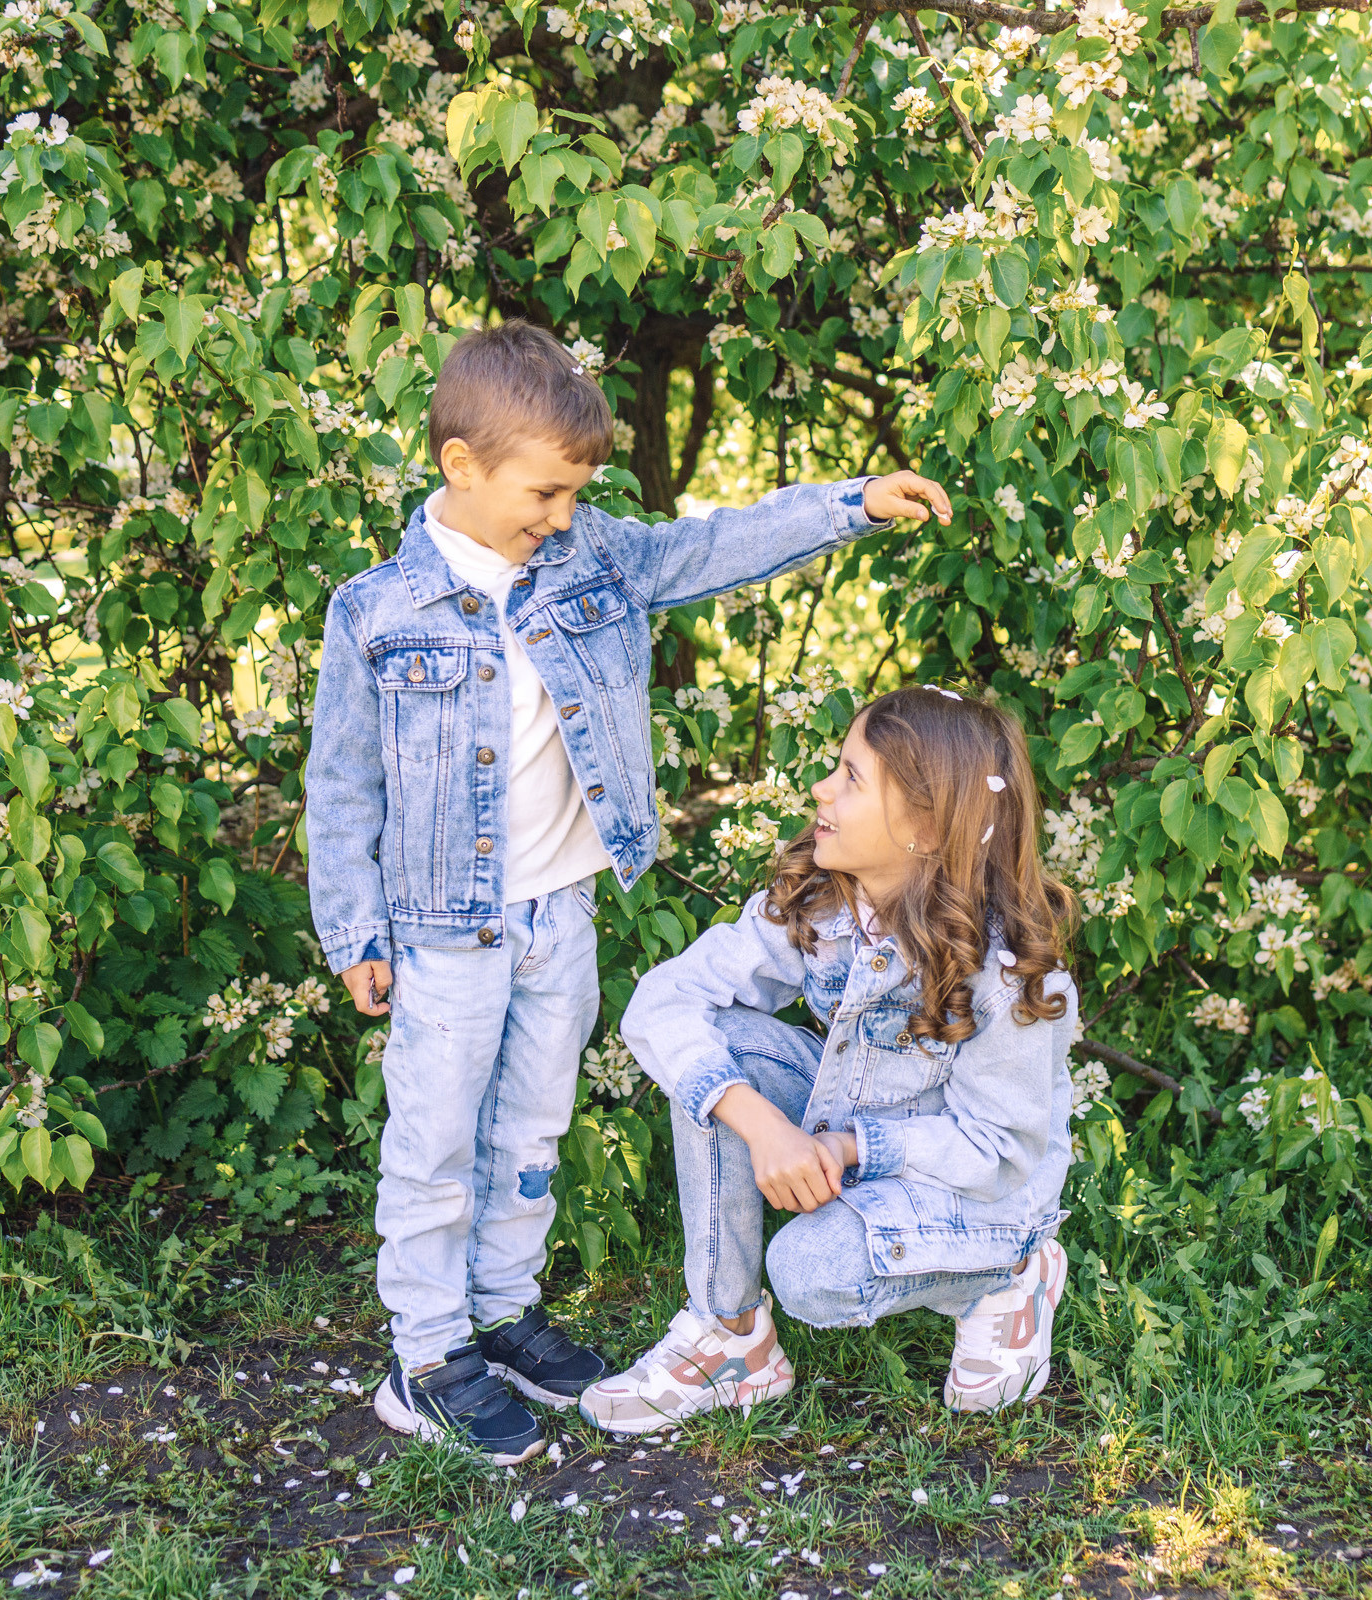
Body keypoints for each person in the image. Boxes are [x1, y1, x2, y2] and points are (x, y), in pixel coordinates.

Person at [305, 319, 952, 1464]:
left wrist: (849, 504)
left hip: (559, 915)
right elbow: (342, 784)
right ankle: (428, 1354)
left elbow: (714, 546)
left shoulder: (590, 559)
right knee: (437, 1137)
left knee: (533, 1126)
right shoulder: (377, 611)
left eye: (573, 494)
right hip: (442, 928)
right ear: (462, 466)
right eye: (544, 493)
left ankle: (502, 1313)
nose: (562, 516)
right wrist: (353, 927)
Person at [580, 686, 1080, 1434]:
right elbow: (663, 1001)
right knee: (722, 1048)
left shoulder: (1003, 976)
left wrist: (848, 1148)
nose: (820, 788)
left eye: (851, 777)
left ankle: (1009, 1275)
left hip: (978, 1187)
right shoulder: (826, 905)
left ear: (925, 826)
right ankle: (731, 1338)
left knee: (810, 1272)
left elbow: (998, 1151)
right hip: (859, 1135)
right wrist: (763, 1127)